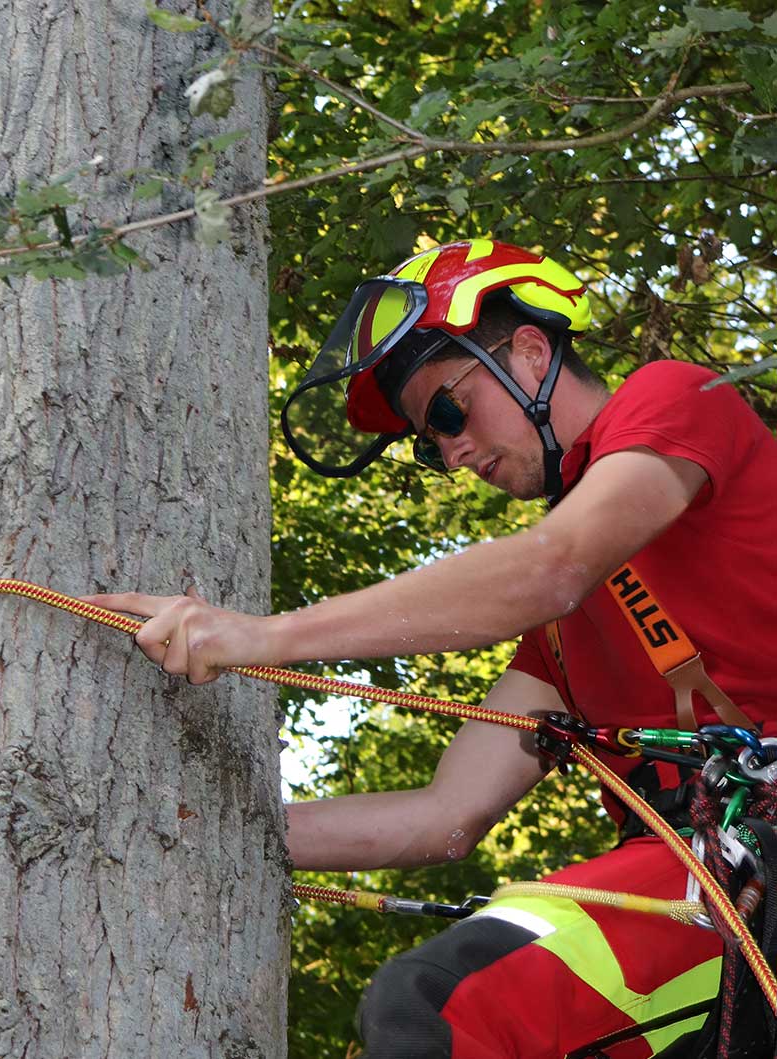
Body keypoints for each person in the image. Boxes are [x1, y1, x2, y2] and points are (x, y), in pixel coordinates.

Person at [87, 239, 777, 1057]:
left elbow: (554, 561)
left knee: (442, 1008)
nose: (449, 451)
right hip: (706, 892)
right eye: (428, 440)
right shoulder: (562, 641)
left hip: (737, 870)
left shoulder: (674, 397)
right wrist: (183, 825)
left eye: (448, 411)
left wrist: (260, 637)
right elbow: (443, 817)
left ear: (529, 352)